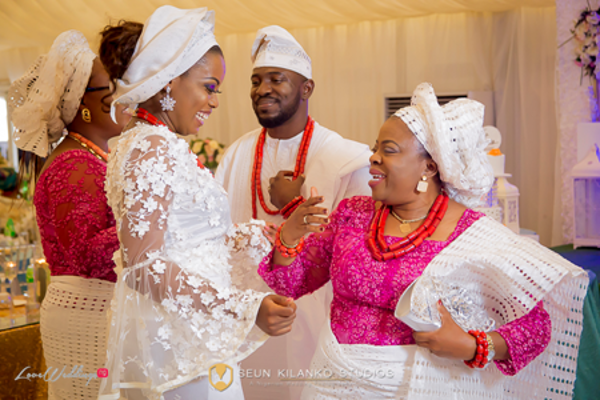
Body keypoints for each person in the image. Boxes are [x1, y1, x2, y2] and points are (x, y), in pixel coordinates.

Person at [259, 83, 589, 399]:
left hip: (420, 387)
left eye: (387, 150)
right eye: (375, 147)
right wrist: (289, 236)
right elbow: (292, 282)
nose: (372, 157)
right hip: (333, 381)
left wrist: (474, 346)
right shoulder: (352, 214)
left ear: (428, 167)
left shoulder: (472, 233)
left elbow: (536, 326)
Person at [97, 7, 296, 400]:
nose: (215, 101)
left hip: (193, 335)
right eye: (209, 86)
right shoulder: (152, 147)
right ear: (170, 82)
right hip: (179, 345)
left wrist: (254, 236)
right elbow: (142, 266)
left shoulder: (155, 143)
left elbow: (185, 243)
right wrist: (243, 307)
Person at [215, 25, 372, 399]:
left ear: (306, 89)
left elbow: (352, 246)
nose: (262, 89)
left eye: (276, 79)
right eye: (256, 80)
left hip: (313, 317)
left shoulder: (342, 157)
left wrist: (291, 205)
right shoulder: (236, 154)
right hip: (248, 317)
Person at [8, 30, 129, 399]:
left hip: (94, 311)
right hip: (86, 316)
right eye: (110, 88)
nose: (123, 98)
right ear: (82, 103)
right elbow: (87, 254)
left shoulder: (92, 156)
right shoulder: (74, 164)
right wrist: (145, 218)